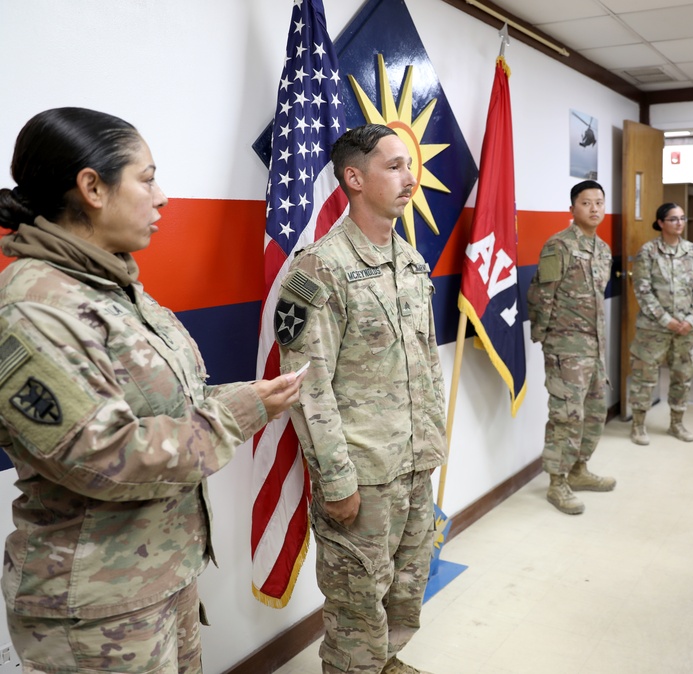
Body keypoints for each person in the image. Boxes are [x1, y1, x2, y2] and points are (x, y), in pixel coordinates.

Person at [0, 107, 301, 672]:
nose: (161, 197)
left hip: (157, 577)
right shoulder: (36, 305)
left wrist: (242, 400)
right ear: (91, 186)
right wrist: (235, 415)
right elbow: (99, 458)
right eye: (147, 177)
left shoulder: (112, 286)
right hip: (97, 608)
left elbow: (166, 402)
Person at [275, 124, 444, 674]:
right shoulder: (317, 270)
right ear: (354, 177)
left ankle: (386, 662)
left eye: (410, 165)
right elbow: (307, 385)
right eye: (394, 166)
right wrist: (338, 479)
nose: (409, 178)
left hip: (414, 463)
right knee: (355, 605)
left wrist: (432, 447)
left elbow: (426, 362)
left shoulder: (411, 262)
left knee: (405, 587)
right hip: (362, 473)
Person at [527, 180, 615, 515]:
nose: (594, 209)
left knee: (593, 413)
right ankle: (557, 482)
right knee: (566, 416)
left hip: (595, 347)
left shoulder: (603, 249)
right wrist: (547, 340)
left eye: (599, 203)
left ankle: (579, 470)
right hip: (566, 348)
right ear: (572, 209)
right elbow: (541, 294)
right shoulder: (558, 246)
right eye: (586, 203)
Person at [628, 202, 693, 445]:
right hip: (653, 330)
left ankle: (676, 423)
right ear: (661, 223)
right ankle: (638, 425)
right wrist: (667, 320)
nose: (679, 223)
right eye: (673, 219)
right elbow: (642, 290)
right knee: (644, 378)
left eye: (682, 218)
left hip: (686, 330)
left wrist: (692, 318)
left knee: (682, 377)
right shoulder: (648, 252)